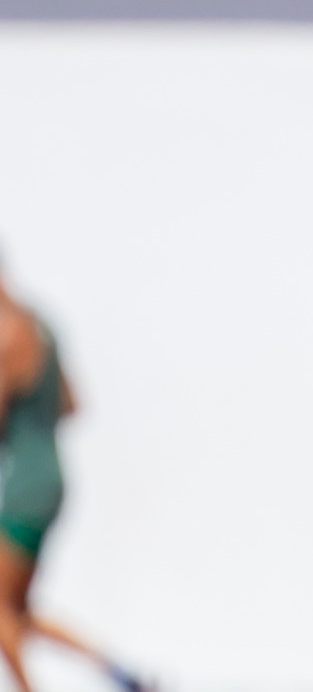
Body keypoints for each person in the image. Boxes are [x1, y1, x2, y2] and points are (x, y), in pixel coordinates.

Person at [0, 263, 151, 692]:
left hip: (23, 481)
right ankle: (117, 670)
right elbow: (72, 403)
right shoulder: (43, 326)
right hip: (51, 472)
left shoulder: (7, 334)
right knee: (15, 610)